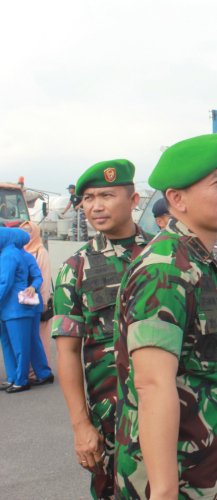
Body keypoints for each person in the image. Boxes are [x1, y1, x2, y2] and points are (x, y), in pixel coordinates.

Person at [115, 134, 217, 500]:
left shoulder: (199, 262)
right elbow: (152, 385)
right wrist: (165, 491)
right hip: (180, 480)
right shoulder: (165, 269)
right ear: (176, 199)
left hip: (211, 465)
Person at [52, 159, 151, 500]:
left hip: (174, 415)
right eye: (88, 198)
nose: (95, 206)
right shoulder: (74, 270)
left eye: (106, 195)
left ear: (134, 200)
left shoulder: (163, 256)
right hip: (113, 424)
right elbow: (67, 351)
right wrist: (81, 427)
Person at [0, 227, 52, 393]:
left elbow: (6, 283)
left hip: (19, 305)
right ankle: (18, 377)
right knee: (20, 342)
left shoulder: (13, 255)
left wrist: (33, 287)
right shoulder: (13, 253)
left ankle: (23, 378)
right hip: (16, 305)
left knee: (24, 343)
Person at [21, 221, 54, 373]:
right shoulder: (20, 251)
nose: (26, 233)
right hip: (24, 301)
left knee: (39, 337)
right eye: (23, 230)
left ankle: (40, 371)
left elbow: (45, 279)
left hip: (38, 301)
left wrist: (45, 301)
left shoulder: (40, 251)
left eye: (29, 230)